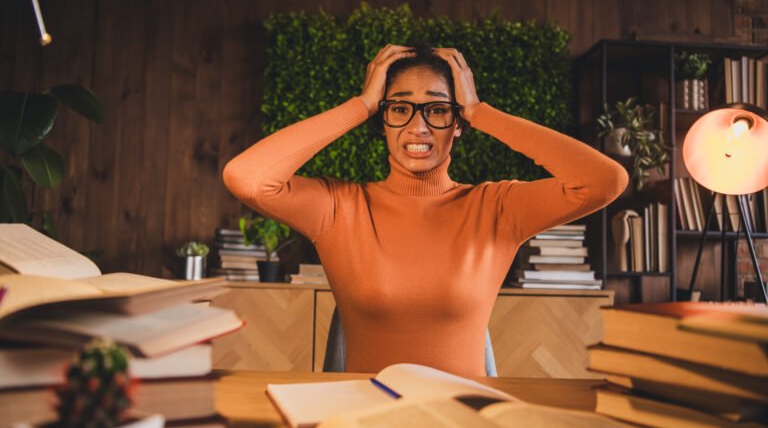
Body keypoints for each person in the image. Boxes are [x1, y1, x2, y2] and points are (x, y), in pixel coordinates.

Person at [223, 44, 628, 377]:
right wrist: (361, 104)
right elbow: (247, 178)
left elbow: (605, 180)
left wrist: (480, 111)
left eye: (437, 110)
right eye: (399, 109)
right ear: (383, 122)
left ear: (457, 123)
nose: (418, 127)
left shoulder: (496, 208)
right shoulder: (340, 207)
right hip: (366, 427)